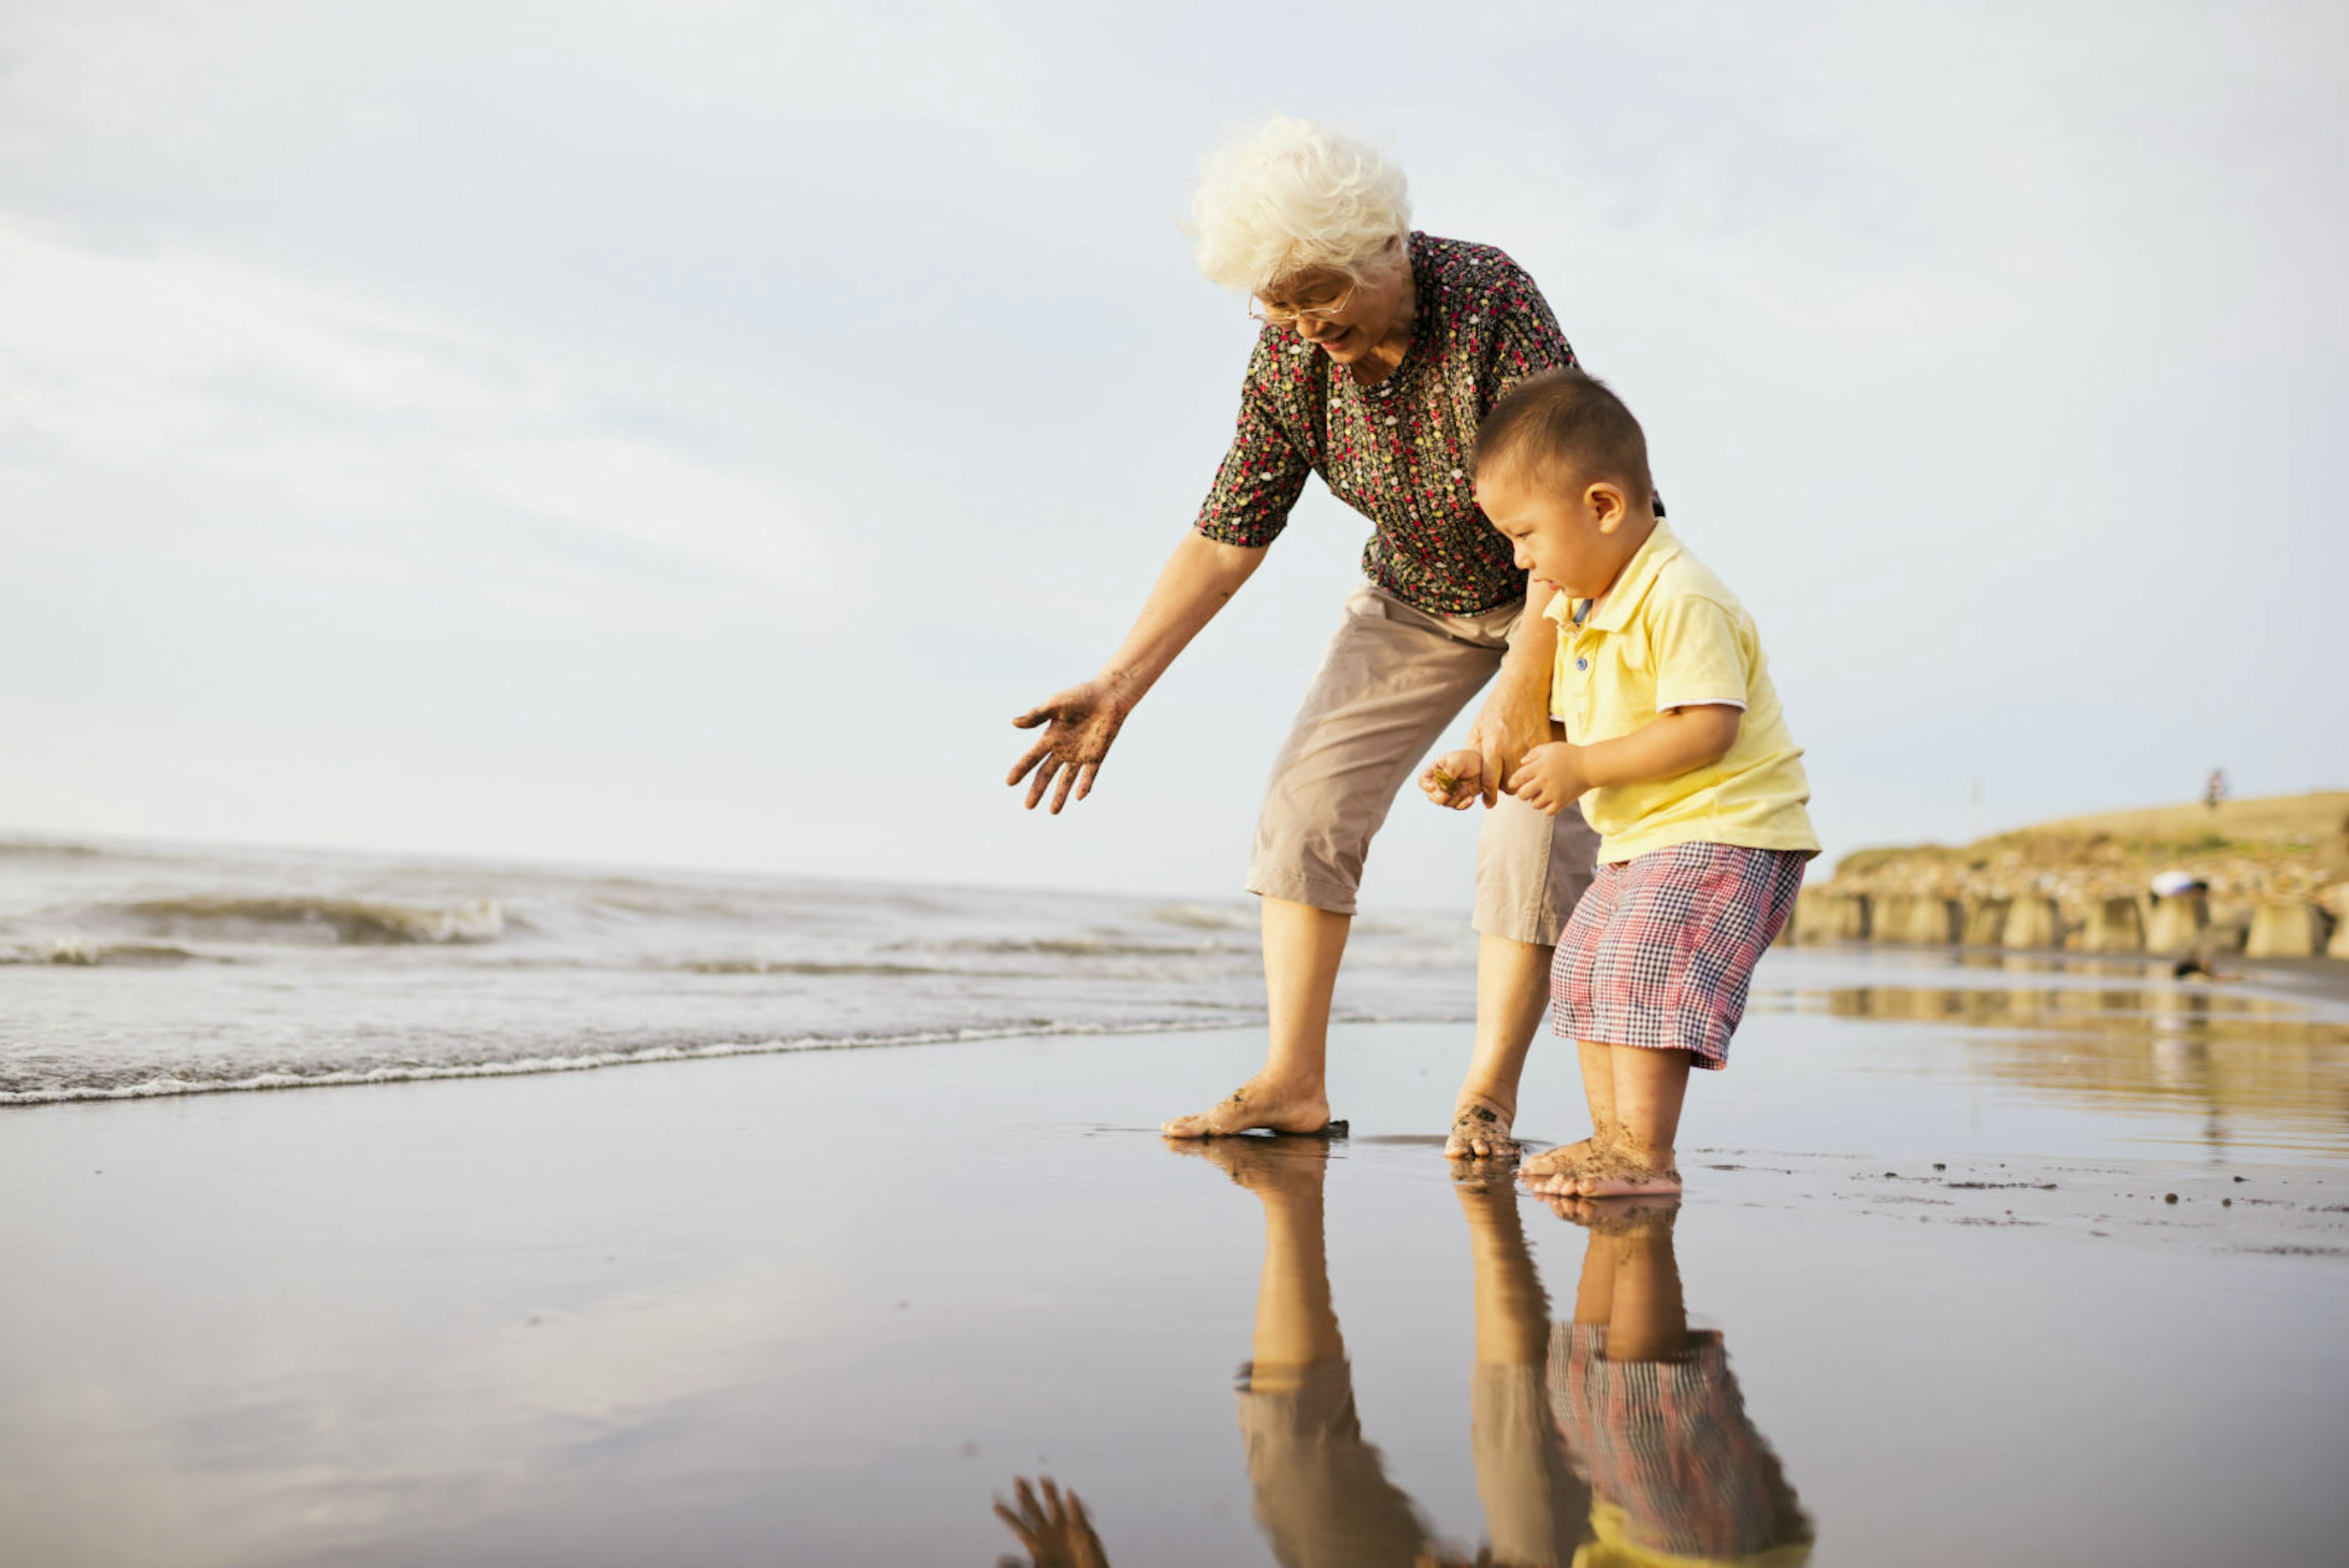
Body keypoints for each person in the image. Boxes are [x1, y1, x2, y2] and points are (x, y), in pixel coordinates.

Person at [1006, 117, 1605, 1159]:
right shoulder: (1291, 360)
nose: (1298, 321)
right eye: (1274, 300)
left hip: (1562, 585)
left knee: (1526, 820)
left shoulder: (1489, 300)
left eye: (1318, 291)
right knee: (1306, 806)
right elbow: (1229, 531)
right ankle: (1292, 1078)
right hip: (1414, 597)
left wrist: (1527, 683)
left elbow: (1565, 502)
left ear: (1385, 244)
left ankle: (1485, 1099)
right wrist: (1118, 686)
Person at [1422, 371, 1818, 1199]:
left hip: (1729, 828)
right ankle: (1612, 1139)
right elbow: (1569, 730)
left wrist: (1587, 770)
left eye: (1526, 535)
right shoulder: (1585, 613)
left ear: (1603, 507)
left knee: (1642, 963)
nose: (1519, 560)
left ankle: (1645, 1152)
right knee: (1585, 963)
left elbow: (1708, 726)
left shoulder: (1681, 596)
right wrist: (1485, 763)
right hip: (1650, 837)